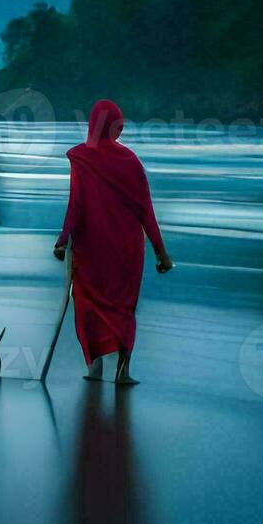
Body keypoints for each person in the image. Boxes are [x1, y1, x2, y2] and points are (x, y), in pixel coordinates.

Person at [53, 100, 172, 384]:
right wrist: (161, 253)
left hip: (90, 248)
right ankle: (123, 369)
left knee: (87, 303)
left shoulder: (83, 158)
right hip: (126, 249)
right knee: (122, 306)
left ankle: (94, 366)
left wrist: (62, 240)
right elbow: (146, 211)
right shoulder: (131, 162)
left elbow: (76, 205)